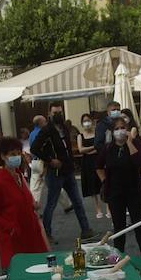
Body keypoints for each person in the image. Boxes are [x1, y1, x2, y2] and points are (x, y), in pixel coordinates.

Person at [0, 135, 51, 269]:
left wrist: (33, 204)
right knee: (18, 273)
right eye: (12, 154)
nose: (16, 157)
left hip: (29, 232)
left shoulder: (19, 175)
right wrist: (10, 228)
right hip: (13, 238)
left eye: (18, 153)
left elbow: (23, 199)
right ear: (3, 156)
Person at [33, 103, 94, 242]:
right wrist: (50, 160)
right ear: (49, 113)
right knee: (51, 204)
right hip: (55, 174)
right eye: (55, 113)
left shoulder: (64, 128)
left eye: (60, 112)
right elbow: (35, 148)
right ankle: (46, 234)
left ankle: (86, 230)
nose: (58, 115)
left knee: (77, 202)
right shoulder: (46, 130)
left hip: (68, 170)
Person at [97, 114, 141, 257]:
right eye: (117, 128)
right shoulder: (108, 148)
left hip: (134, 192)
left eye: (123, 128)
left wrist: (129, 141)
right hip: (115, 194)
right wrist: (104, 180)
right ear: (112, 131)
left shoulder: (135, 144)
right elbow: (98, 166)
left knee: (139, 225)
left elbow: (140, 162)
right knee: (119, 228)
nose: (120, 131)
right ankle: (118, 257)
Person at [76, 112, 105, 220]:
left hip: (98, 159)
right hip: (87, 162)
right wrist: (94, 147)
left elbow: (101, 145)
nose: (87, 123)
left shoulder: (97, 133)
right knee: (92, 185)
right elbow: (81, 149)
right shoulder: (80, 136)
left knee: (103, 182)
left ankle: (108, 207)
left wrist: (89, 149)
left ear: (92, 121)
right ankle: (97, 208)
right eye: (84, 121)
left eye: (88, 120)